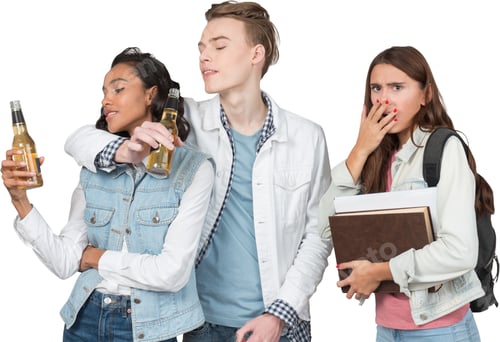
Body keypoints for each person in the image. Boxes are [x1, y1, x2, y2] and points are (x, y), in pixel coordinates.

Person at [63, 2, 332, 341]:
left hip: (277, 322)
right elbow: (80, 139)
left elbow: (318, 236)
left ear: (256, 54)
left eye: (219, 46)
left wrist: (279, 314)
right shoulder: (180, 124)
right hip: (197, 322)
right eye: (202, 48)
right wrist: (124, 148)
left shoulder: (307, 137)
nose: (205, 57)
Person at [1, 47, 214, 342]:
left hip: (147, 329)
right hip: (84, 320)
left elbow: (171, 273)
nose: (105, 100)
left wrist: (94, 257)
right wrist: (19, 201)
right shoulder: (95, 165)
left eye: (118, 89)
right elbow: (65, 261)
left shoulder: (193, 169)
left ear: (150, 94)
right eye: (103, 92)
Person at [318, 46, 486, 341]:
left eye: (397, 87)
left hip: (439, 329)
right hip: (387, 329)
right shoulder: (375, 157)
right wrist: (360, 150)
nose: (384, 99)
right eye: (376, 88)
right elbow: (324, 230)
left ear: (425, 94)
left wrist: (381, 271)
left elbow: (460, 252)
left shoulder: (443, 150)